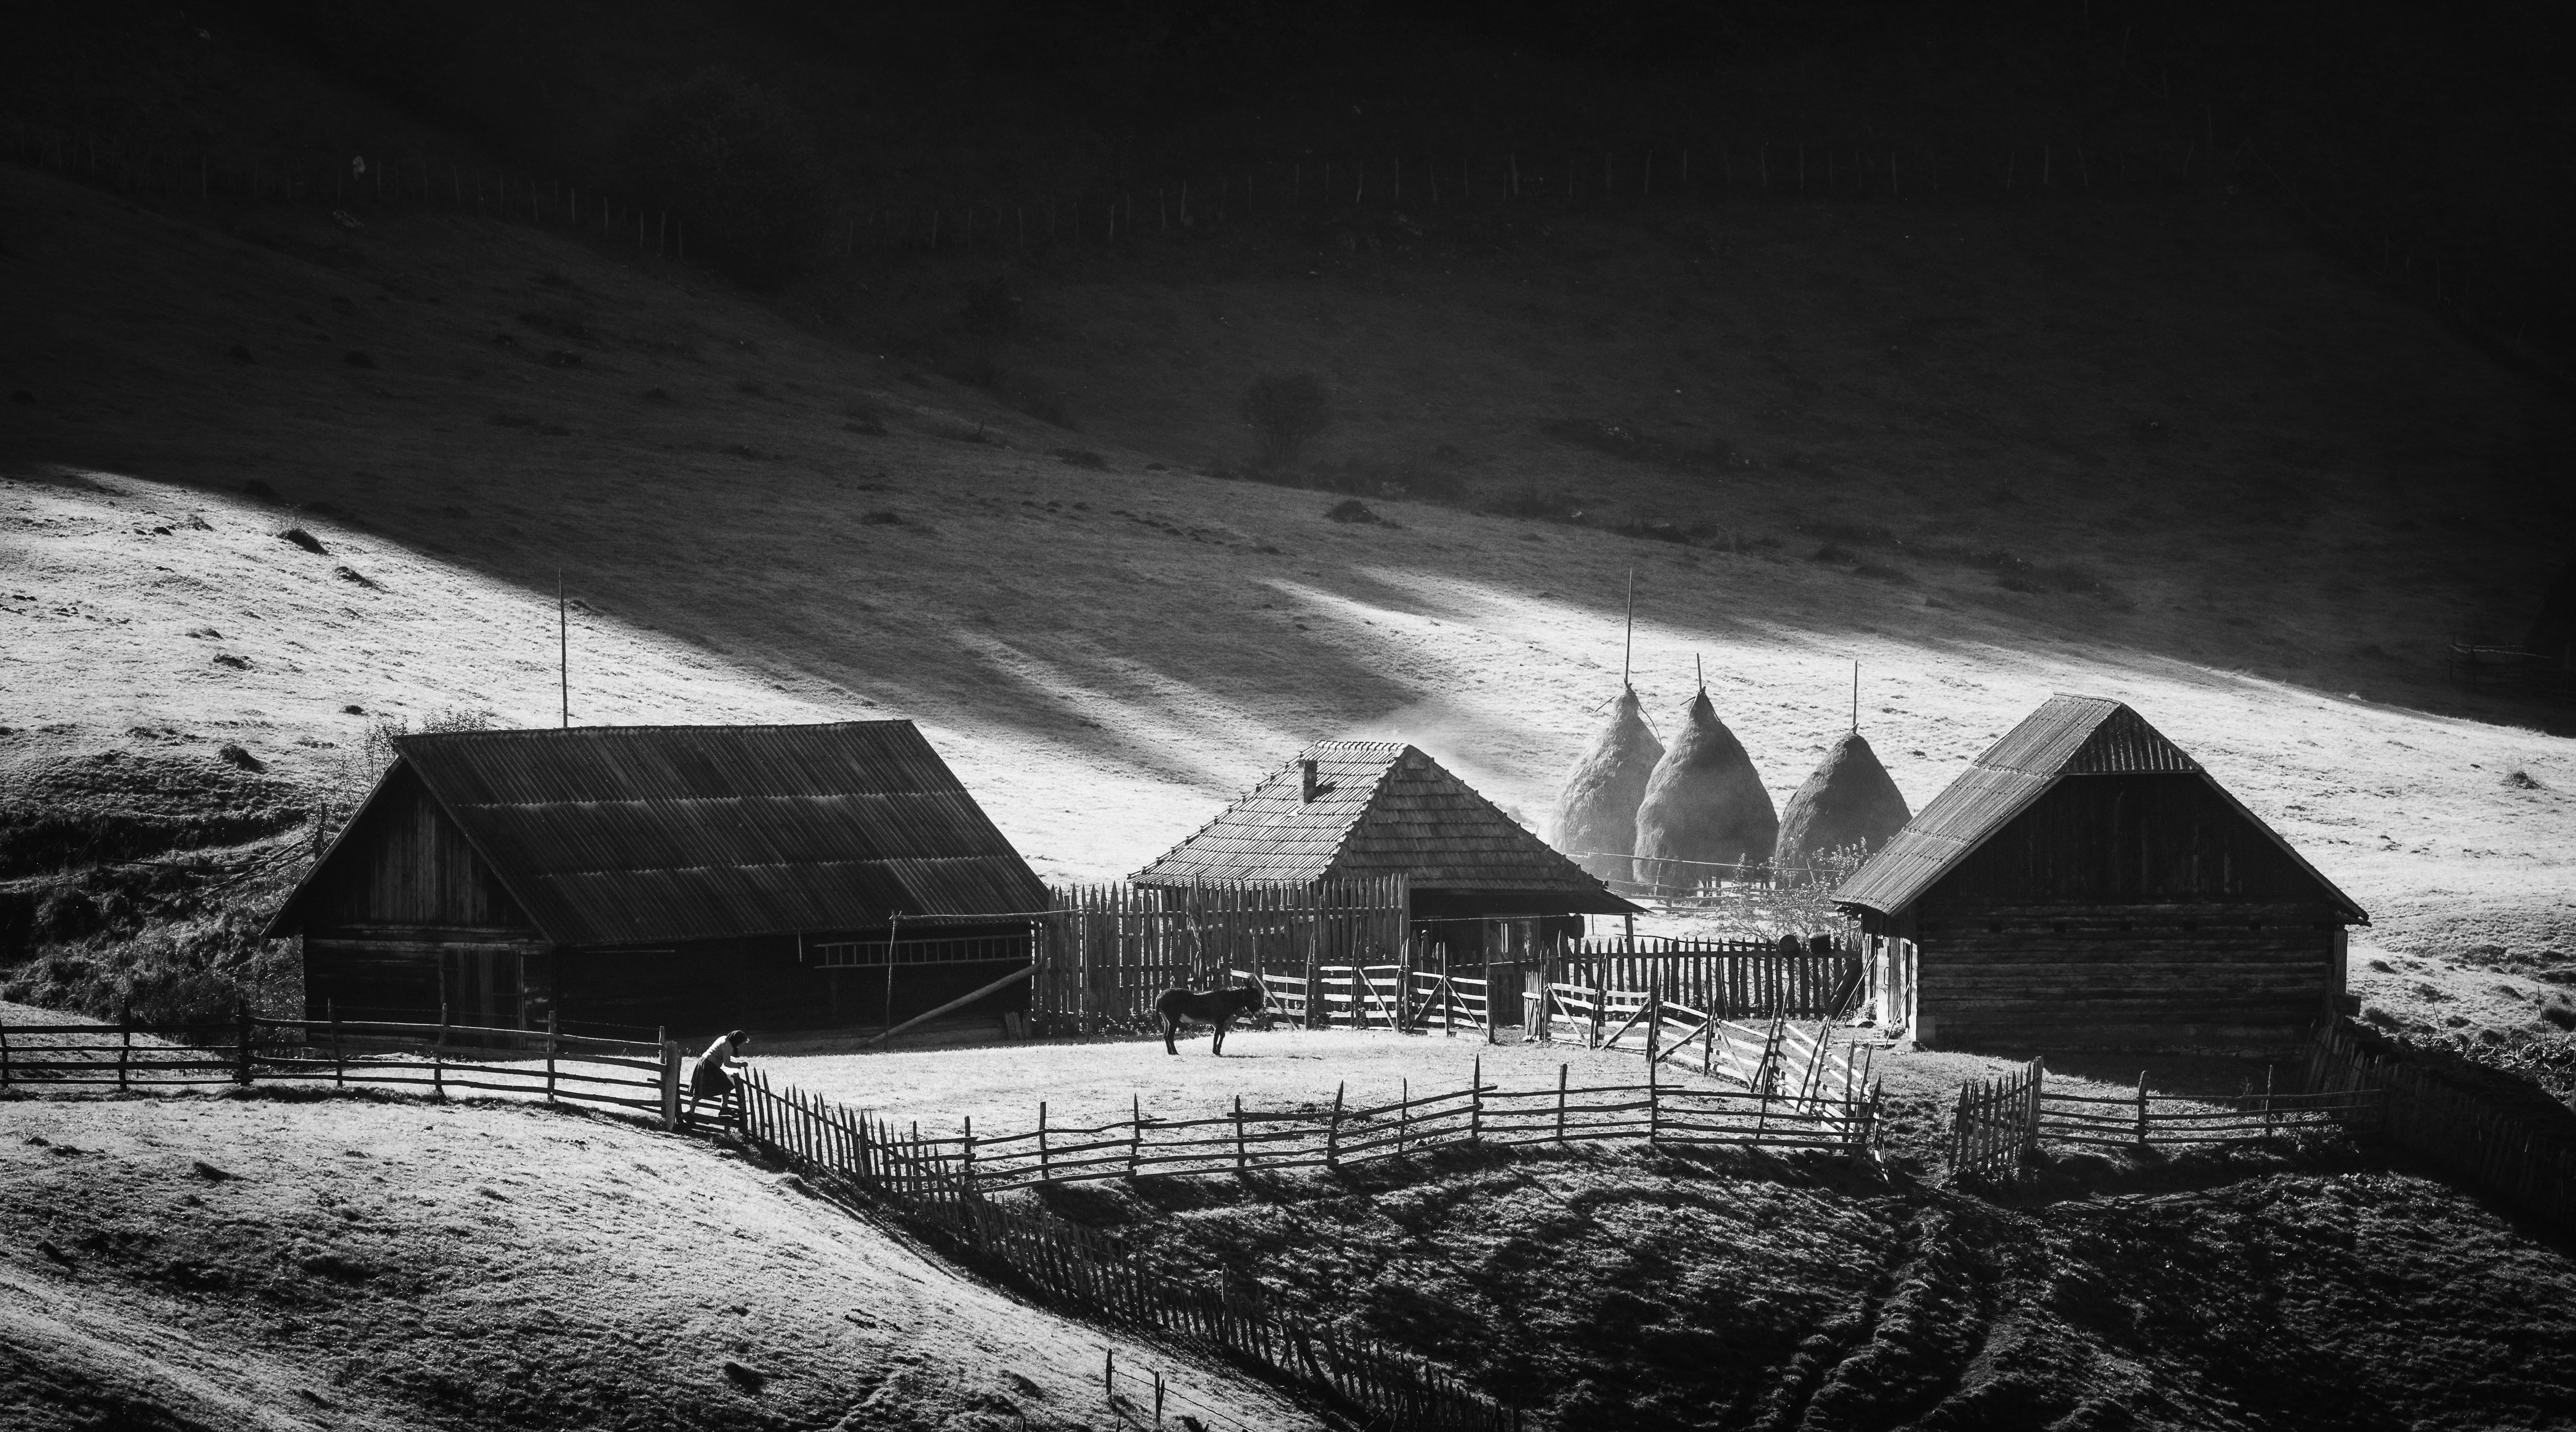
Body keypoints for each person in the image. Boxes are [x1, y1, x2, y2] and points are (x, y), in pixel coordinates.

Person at [686, 1029, 750, 1129]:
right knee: (727, 1085)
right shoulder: (728, 1045)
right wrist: (740, 1065)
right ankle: (723, 1108)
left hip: (705, 1063)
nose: (740, 1046)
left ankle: (690, 1113)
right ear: (737, 1040)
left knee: (700, 1091)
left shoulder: (724, 1038)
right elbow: (727, 1063)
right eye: (740, 1043)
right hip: (709, 1066)